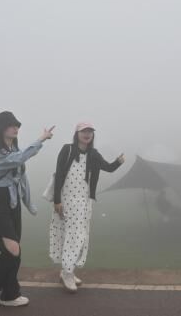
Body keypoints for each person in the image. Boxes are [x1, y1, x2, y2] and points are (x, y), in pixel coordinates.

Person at [0, 111, 55, 308]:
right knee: (11, 249)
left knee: (15, 251)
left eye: (17, 125)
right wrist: (41, 139)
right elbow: (20, 159)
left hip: (12, 202)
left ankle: (10, 294)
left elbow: (21, 177)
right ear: (1, 128)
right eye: (11, 125)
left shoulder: (13, 148)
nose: (16, 128)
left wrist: (28, 203)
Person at [49, 122, 125, 293]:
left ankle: (67, 271)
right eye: (84, 131)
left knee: (79, 237)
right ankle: (67, 273)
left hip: (84, 202)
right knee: (71, 236)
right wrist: (57, 200)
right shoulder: (67, 150)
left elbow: (108, 168)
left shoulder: (94, 154)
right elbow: (59, 174)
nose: (87, 134)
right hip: (66, 201)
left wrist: (118, 161)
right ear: (77, 134)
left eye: (90, 131)